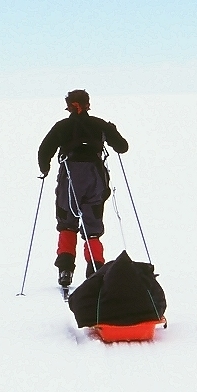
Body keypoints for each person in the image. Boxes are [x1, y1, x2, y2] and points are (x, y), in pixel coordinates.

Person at [38, 89, 129, 291]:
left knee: (67, 224)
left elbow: (44, 150)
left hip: (69, 180)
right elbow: (122, 147)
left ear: (69, 105)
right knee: (92, 227)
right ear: (88, 104)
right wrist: (112, 131)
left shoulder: (61, 126)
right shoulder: (100, 124)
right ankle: (95, 269)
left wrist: (44, 169)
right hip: (95, 179)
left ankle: (65, 271)